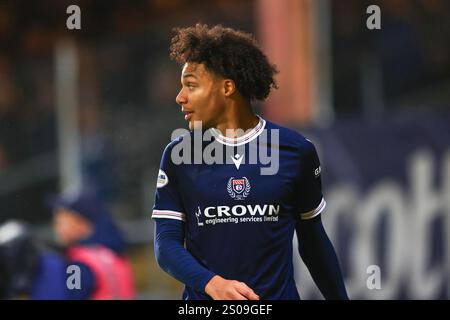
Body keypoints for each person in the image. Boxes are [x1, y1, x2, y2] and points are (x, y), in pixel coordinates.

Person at [152, 24, 348, 300]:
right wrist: (212, 283)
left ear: (227, 88)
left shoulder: (296, 152)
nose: (179, 97)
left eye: (191, 86)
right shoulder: (179, 156)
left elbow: (313, 242)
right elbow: (166, 245)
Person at [51, 192, 135, 299]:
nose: (56, 226)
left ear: (81, 222)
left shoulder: (77, 263)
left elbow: (73, 296)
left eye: (61, 221)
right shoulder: (115, 255)